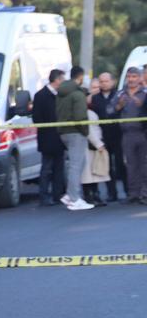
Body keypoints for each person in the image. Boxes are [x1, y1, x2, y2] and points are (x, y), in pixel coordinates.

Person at [57, 66, 94, 210]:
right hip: (75, 132)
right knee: (75, 165)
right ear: (80, 77)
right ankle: (74, 199)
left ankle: (69, 194)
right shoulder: (77, 95)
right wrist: (85, 131)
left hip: (64, 131)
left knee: (79, 162)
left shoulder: (61, 92)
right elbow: (80, 117)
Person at [108, 67, 147, 204]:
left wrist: (142, 106)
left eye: (134, 77)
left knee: (144, 165)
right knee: (130, 165)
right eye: (129, 77)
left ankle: (144, 194)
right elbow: (109, 110)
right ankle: (133, 194)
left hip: (143, 134)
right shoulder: (120, 94)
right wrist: (119, 106)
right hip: (127, 134)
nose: (131, 79)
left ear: (140, 78)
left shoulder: (145, 93)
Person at [90, 72, 125, 201]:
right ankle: (112, 193)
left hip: (118, 134)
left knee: (121, 164)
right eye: (101, 81)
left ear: (112, 81)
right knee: (107, 166)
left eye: (106, 81)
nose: (104, 84)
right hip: (103, 136)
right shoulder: (95, 98)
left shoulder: (119, 95)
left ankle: (127, 191)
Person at [33, 69, 66, 206]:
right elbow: (37, 118)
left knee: (59, 168)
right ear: (57, 80)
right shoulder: (41, 95)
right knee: (47, 168)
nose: (63, 82)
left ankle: (58, 195)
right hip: (47, 138)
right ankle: (44, 195)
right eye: (62, 79)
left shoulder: (61, 95)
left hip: (60, 138)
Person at [81, 108, 109, 206]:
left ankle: (90, 196)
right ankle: (92, 196)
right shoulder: (88, 113)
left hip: (88, 145)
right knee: (91, 173)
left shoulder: (86, 112)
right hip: (91, 145)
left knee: (89, 173)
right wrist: (98, 144)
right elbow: (90, 130)